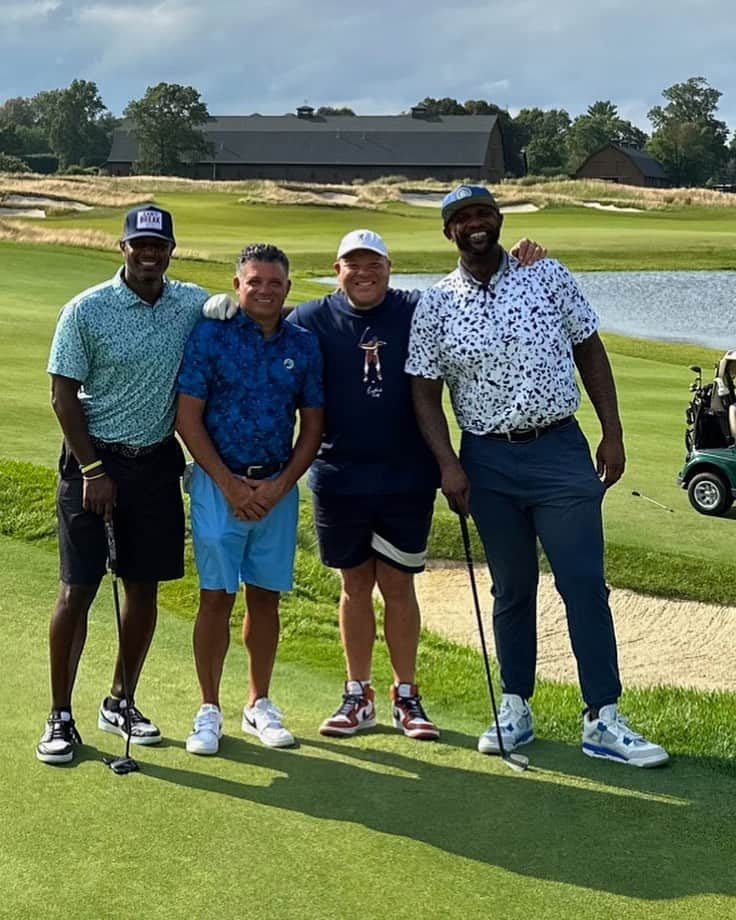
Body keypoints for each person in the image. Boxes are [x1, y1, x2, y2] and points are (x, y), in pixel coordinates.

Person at [406, 184, 669, 768]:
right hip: (486, 460)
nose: (475, 224)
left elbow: (590, 348)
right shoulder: (437, 302)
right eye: (462, 218)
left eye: (484, 214)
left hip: (559, 451)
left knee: (582, 585)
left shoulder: (545, 274)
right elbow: (423, 391)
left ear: (498, 221)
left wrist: (614, 429)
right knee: (512, 589)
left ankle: (602, 716)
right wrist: (447, 463)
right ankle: (516, 705)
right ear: (448, 232)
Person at [283, 229, 546, 741]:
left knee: (398, 585)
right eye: (352, 265)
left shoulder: (419, 307)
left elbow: (476, 294)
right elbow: (262, 325)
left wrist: (519, 263)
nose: (364, 274)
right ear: (337, 270)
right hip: (339, 476)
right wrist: (220, 309)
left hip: (407, 475)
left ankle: (407, 695)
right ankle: (358, 695)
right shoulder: (310, 318)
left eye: (374, 264)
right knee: (354, 585)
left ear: (390, 267)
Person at [38, 204, 210, 765]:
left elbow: (249, 303)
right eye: (139, 245)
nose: (149, 254)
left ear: (171, 250)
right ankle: (59, 715)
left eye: (158, 246)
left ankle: (120, 699)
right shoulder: (86, 310)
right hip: (93, 464)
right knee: (78, 590)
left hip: (157, 465)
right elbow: (62, 397)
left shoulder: (191, 302)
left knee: (142, 589)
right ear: (123, 247)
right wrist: (92, 471)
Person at [176, 244, 324, 755]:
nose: (264, 290)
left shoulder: (303, 344)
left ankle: (258, 702)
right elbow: (187, 418)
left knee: (265, 596)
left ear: (288, 287)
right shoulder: (211, 334)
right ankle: (208, 709)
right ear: (237, 285)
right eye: (254, 281)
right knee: (216, 596)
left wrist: (280, 486)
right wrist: (230, 485)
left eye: (274, 282)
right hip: (219, 487)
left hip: (276, 488)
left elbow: (314, 424)